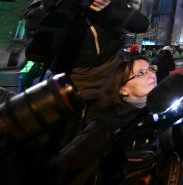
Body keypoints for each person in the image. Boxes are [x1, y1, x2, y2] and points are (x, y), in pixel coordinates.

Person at [24, 0, 149, 116]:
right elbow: (37, 53)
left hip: (115, 75)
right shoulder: (41, 11)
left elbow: (142, 24)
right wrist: (67, 5)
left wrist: (110, 10)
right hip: (76, 85)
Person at [49, 56, 171, 184]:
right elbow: (62, 167)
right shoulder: (106, 126)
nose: (151, 73)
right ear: (123, 90)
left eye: (151, 68)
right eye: (140, 73)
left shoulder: (150, 116)